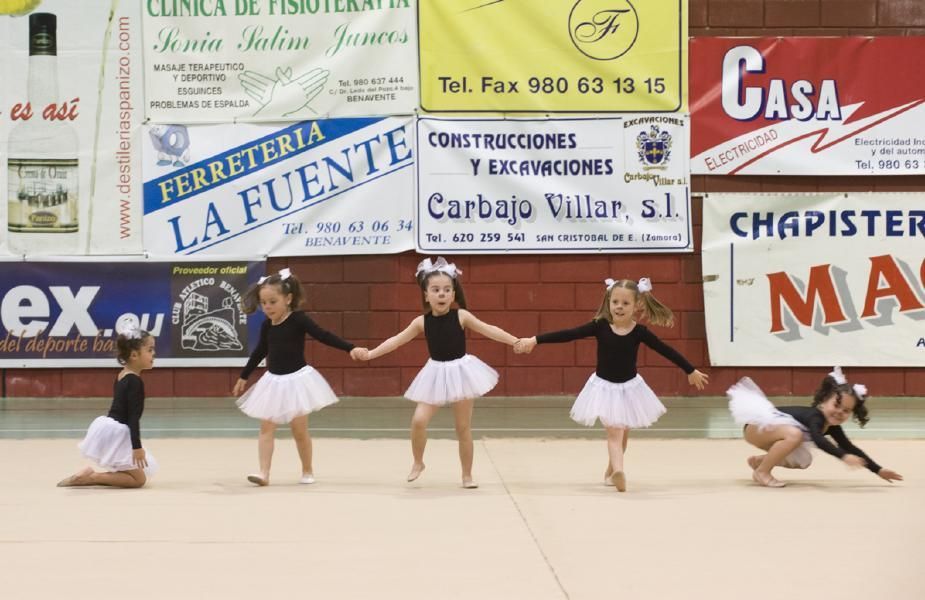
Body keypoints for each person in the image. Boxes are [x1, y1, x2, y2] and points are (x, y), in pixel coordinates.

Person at [515, 278, 708, 492]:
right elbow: (569, 334)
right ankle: (619, 471)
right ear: (608, 302)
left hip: (630, 389)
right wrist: (535, 339)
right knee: (614, 433)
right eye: (615, 301)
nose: (619, 307)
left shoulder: (639, 332)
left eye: (625, 303)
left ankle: (610, 472)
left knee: (622, 435)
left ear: (637, 305)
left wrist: (690, 369)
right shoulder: (600, 327)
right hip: (604, 389)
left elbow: (666, 350)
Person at [360, 257, 518, 488]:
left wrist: (515, 341)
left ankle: (467, 475)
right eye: (435, 290)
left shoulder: (462, 316)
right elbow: (395, 341)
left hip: (462, 373)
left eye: (446, 290)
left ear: (453, 294)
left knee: (462, 427)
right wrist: (371, 354)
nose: (441, 294)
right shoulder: (420, 322)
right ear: (426, 295)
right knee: (418, 420)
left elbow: (490, 330)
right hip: (435, 374)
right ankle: (418, 461)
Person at [233, 268, 366, 486]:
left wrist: (349, 348)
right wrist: (244, 376)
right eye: (263, 303)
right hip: (272, 382)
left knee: (299, 430)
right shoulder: (267, 325)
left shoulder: (298, 320)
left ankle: (307, 469)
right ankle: (264, 473)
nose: (267, 307)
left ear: (288, 298)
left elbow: (323, 336)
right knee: (266, 428)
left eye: (272, 302)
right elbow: (260, 351)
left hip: (296, 382)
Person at [728, 368, 904, 487]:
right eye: (836, 405)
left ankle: (759, 462)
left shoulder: (831, 425)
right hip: (757, 426)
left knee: (803, 459)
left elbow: (849, 447)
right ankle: (762, 472)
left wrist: (877, 470)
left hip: (770, 432)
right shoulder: (815, 416)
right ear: (824, 400)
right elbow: (819, 440)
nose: (839, 413)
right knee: (795, 435)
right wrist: (843, 457)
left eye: (846, 411)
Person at [57, 315, 158, 488]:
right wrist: (137, 447)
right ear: (134, 355)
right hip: (118, 432)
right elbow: (133, 418)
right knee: (138, 480)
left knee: (133, 472)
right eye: (150, 350)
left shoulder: (122, 374)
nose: (153, 354)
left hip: (110, 428)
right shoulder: (135, 382)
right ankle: (91, 477)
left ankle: (90, 476)